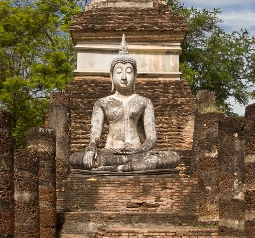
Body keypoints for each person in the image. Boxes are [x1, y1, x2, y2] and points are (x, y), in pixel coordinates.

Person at [70, 35, 180, 173]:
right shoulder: (102, 103)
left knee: (172, 157)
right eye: (119, 71)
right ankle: (124, 167)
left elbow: (151, 138)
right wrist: (91, 148)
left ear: (135, 75)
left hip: (137, 153)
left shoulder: (144, 102)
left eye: (129, 72)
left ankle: (119, 168)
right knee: (76, 158)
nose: (123, 77)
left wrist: (138, 150)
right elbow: (94, 137)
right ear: (111, 76)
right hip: (109, 152)